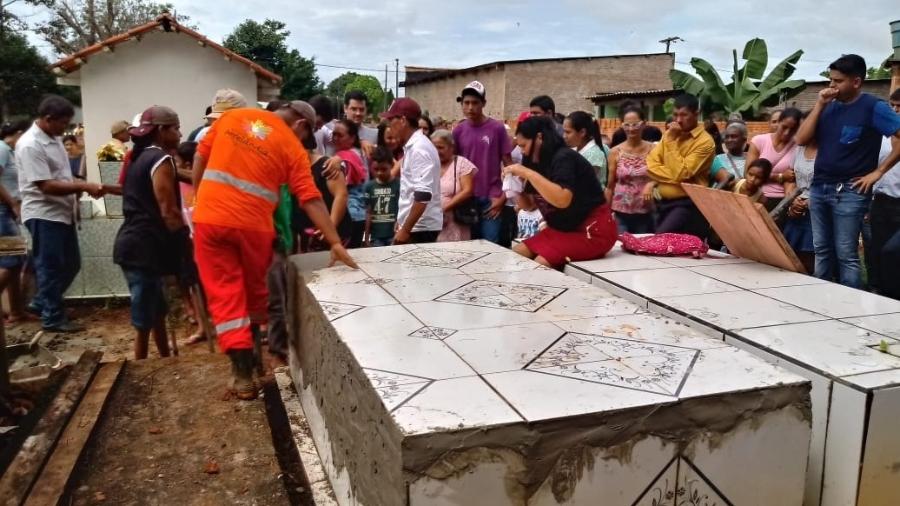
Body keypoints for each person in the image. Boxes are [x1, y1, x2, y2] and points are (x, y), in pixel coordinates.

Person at [192, 99, 356, 399]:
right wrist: (334, 242)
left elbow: (200, 159)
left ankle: (242, 374)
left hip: (211, 221)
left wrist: (198, 200)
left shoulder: (231, 119)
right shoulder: (291, 147)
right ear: (301, 125)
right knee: (254, 294)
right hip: (255, 230)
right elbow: (311, 199)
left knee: (225, 293)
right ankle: (251, 366)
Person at [794, 54, 900, 288]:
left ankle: (849, 307)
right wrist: (820, 104)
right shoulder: (828, 107)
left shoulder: (874, 107)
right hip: (820, 186)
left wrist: (878, 172)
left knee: (846, 253)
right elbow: (801, 139)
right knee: (821, 249)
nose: (832, 86)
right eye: (830, 80)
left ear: (856, 82)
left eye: (838, 81)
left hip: (850, 191)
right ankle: (821, 298)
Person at [16, 95, 104, 332]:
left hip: (61, 212)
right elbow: (46, 185)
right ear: (48, 119)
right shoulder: (30, 144)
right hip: (44, 213)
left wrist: (77, 184)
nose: (65, 129)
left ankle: (43, 302)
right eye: (62, 124)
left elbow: (61, 175)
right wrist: (83, 186)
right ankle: (52, 317)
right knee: (50, 266)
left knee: (71, 263)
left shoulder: (52, 137)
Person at [113, 106, 186, 359]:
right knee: (144, 316)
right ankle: (138, 366)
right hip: (142, 245)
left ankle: (165, 358)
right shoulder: (160, 160)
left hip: (138, 242)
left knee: (157, 310)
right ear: (162, 130)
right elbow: (168, 210)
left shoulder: (140, 156)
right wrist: (183, 243)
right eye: (176, 128)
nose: (179, 133)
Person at [506, 116, 617, 267]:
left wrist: (528, 174)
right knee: (515, 254)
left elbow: (562, 199)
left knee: (540, 263)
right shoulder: (534, 160)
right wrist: (514, 188)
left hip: (592, 231)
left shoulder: (563, 157)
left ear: (539, 137)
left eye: (524, 145)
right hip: (563, 228)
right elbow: (528, 205)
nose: (522, 152)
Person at [645, 94, 714, 238]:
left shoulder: (705, 142)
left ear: (696, 114)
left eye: (684, 115)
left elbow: (682, 173)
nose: (678, 120)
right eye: (675, 114)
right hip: (661, 202)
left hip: (688, 204)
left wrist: (670, 142)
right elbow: (650, 165)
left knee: (660, 240)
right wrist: (675, 177)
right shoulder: (670, 135)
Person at [452, 81, 513, 245]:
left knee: (490, 246)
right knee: (468, 246)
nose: (470, 107)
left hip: (491, 198)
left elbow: (509, 165)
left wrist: (503, 197)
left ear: (484, 103)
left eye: (475, 103)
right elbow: (452, 165)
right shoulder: (458, 130)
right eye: (466, 103)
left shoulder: (497, 128)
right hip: (466, 198)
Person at [380, 98, 442, 244]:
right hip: (416, 226)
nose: (389, 125)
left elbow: (423, 194)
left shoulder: (419, 148)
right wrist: (402, 220)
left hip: (420, 228)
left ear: (402, 120)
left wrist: (406, 229)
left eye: (391, 120)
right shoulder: (414, 146)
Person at [295, 121, 354, 251]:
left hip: (335, 233)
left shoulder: (327, 165)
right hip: (307, 234)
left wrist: (330, 228)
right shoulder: (290, 169)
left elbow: (341, 195)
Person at [868, 89, 900, 299]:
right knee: (876, 252)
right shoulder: (881, 136)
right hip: (880, 201)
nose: (896, 111)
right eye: (893, 106)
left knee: (893, 251)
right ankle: (879, 295)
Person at [605, 107, 655, 234]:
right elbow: (610, 186)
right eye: (627, 125)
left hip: (645, 211)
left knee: (642, 248)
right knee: (621, 247)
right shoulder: (615, 152)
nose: (631, 129)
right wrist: (605, 212)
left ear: (644, 124)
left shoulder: (654, 150)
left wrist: (651, 184)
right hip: (619, 211)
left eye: (635, 124)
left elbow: (664, 176)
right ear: (622, 125)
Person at [0, 121, 30, 325]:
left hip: (8, 211)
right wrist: (12, 203)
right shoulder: (2, 149)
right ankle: (16, 311)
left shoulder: (8, 151)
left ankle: (17, 311)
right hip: (4, 210)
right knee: (11, 261)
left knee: (16, 261)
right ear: (18, 133)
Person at [747, 107, 801, 210]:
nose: (786, 133)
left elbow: (791, 179)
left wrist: (788, 202)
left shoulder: (798, 147)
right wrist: (780, 177)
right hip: (757, 196)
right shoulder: (759, 141)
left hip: (782, 201)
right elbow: (748, 173)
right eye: (784, 127)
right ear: (778, 123)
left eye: (792, 130)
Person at [432, 129, 477, 242]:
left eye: (441, 147)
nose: (437, 151)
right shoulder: (429, 164)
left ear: (451, 147)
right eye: (434, 148)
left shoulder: (461, 163)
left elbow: (468, 190)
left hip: (456, 220)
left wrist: (444, 208)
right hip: (432, 220)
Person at [783, 127, 818, 274]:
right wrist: (792, 200)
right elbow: (790, 179)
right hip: (796, 208)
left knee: (811, 257)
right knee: (791, 255)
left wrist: (809, 202)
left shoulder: (829, 150)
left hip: (817, 209)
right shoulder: (798, 150)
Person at [331, 119, 368, 247]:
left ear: (352, 138)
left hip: (349, 217)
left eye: (340, 135)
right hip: (358, 216)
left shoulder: (344, 158)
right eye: (333, 134)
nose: (335, 138)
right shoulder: (356, 153)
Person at [364, 147, 400, 247]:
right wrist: (366, 237)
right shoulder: (369, 186)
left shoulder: (399, 184)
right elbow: (368, 212)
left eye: (384, 169)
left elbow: (402, 210)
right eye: (376, 169)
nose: (379, 173)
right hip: (376, 236)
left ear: (391, 166)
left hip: (393, 234)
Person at [563, 111, 608, 188]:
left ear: (582, 132)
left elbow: (584, 182)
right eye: (564, 131)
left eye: (568, 132)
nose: (564, 136)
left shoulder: (594, 153)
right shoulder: (573, 150)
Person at [709, 122, 748, 188]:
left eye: (734, 136)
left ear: (744, 140)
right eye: (727, 137)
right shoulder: (717, 159)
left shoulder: (751, 160)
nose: (729, 140)